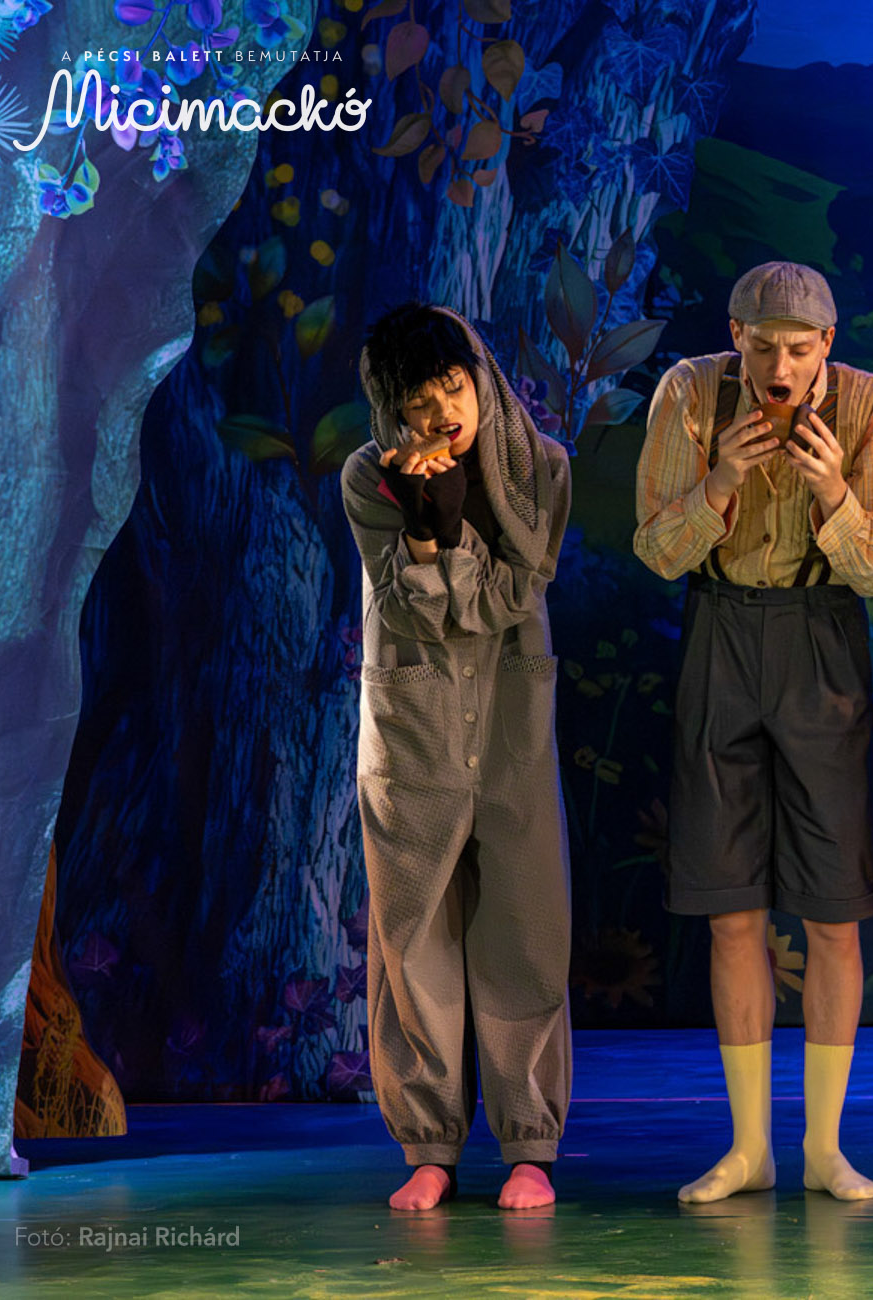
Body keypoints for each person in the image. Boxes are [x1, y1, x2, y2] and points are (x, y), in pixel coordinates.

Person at [634, 262, 873, 1203]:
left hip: (819, 637)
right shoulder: (690, 393)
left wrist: (834, 493)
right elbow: (657, 549)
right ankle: (749, 1148)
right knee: (732, 912)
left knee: (832, 914)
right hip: (721, 632)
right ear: (736, 336)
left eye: (798, 350)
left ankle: (825, 1148)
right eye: (762, 349)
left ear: (828, 343)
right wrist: (720, 479)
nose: (779, 368)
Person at [343, 302, 574, 1211]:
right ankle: (429, 1144)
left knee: (526, 926)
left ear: (478, 376)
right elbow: (410, 607)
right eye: (418, 401)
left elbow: (509, 597)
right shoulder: (370, 477)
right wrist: (420, 525)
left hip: (510, 719)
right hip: (415, 729)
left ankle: (530, 1143)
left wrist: (453, 529)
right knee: (414, 941)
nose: (442, 414)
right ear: (390, 409)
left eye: (452, 387)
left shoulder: (540, 469)